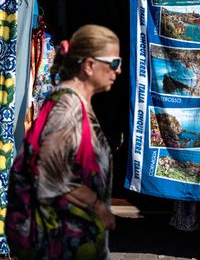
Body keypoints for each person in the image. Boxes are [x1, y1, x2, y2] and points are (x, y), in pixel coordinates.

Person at [6, 24, 121, 259]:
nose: (118, 71)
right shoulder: (67, 108)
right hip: (60, 243)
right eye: (114, 63)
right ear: (89, 65)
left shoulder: (75, 103)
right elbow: (47, 172)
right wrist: (97, 207)